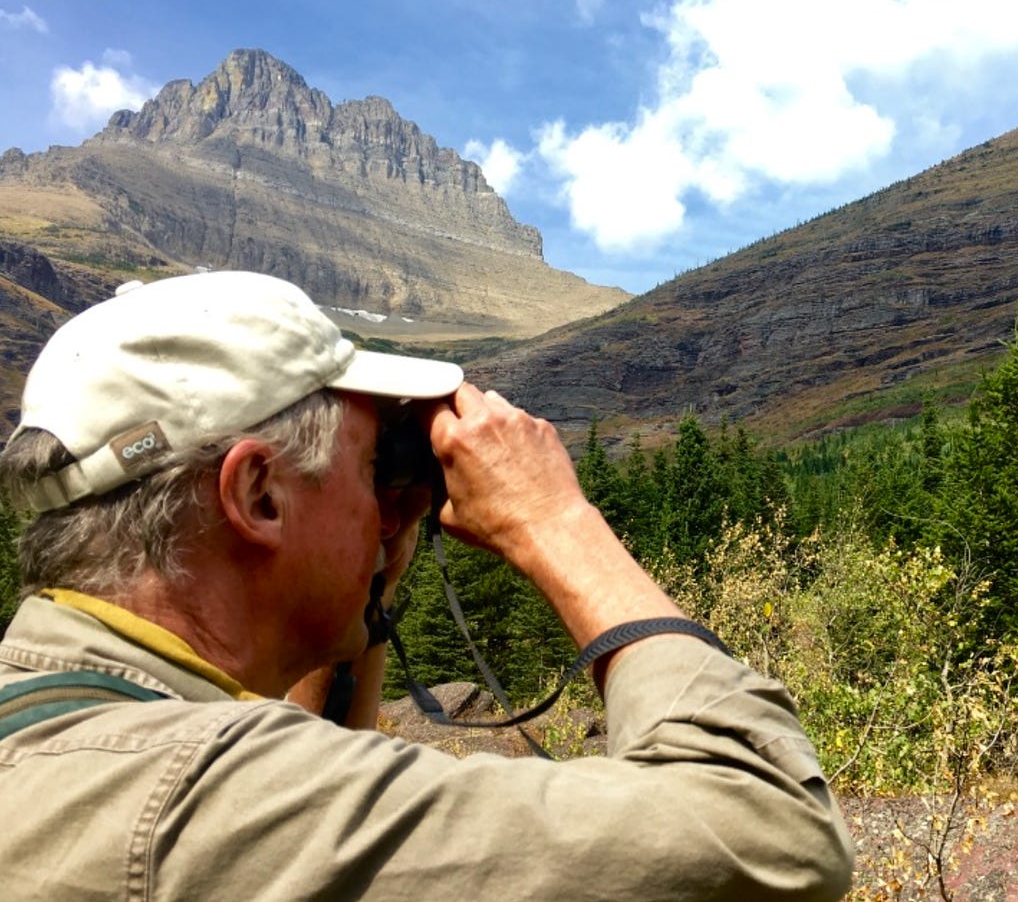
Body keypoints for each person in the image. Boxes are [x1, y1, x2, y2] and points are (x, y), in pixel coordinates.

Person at [0, 271, 853, 900]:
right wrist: (553, 520)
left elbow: (307, 774)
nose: (389, 504)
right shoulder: (198, 796)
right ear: (258, 494)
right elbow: (772, 829)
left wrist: (364, 579)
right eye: (372, 468)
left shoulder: (67, 728)